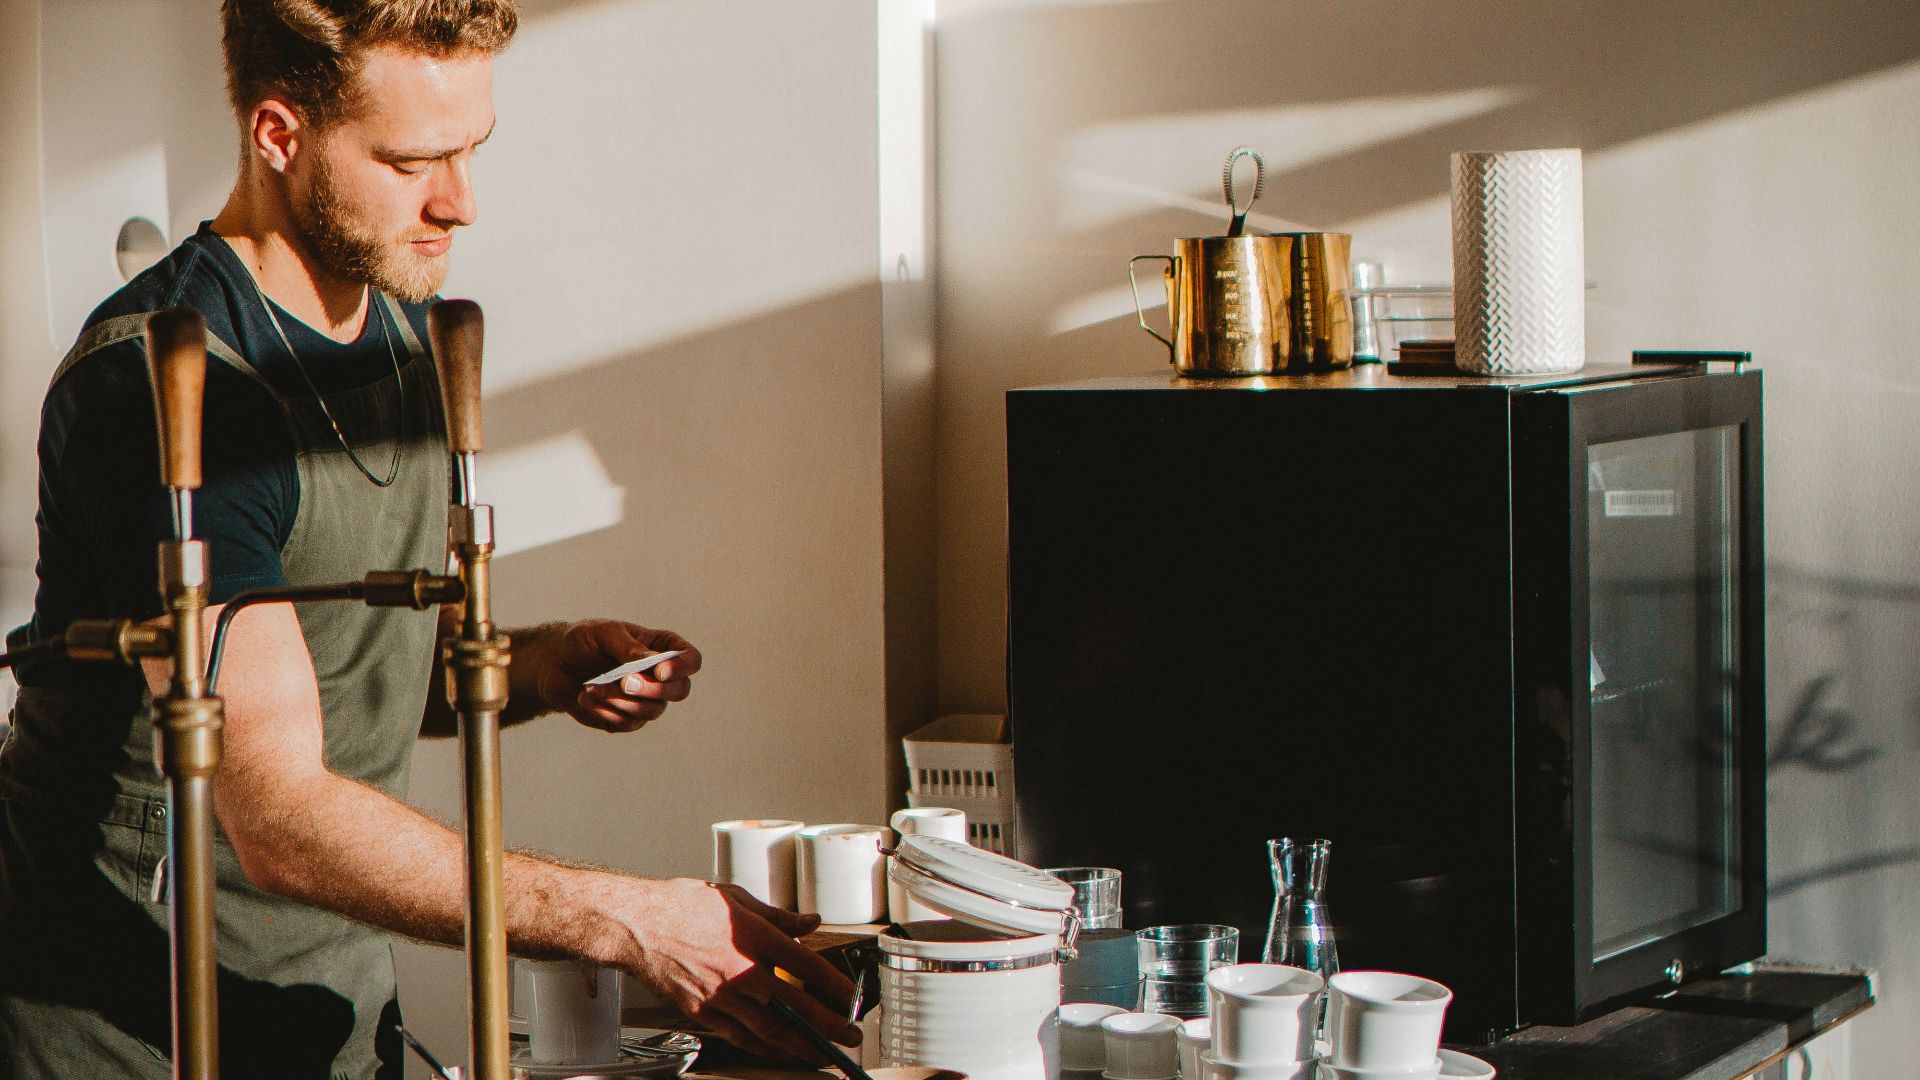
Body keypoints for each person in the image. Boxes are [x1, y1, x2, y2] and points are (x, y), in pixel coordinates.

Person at [0, 2, 857, 1077]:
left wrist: (539, 665)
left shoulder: (401, 330)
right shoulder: (169, 387)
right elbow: (277, 811)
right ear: (279, 135)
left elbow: (346, 669)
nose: (461, 202)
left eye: (469, 152)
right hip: (133, 1032)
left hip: (331, 1021)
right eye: (415, 162)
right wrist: (628, 920)